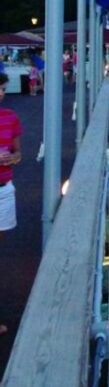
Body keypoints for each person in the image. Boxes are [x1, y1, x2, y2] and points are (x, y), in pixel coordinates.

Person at [0, 72, 22, 335]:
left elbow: (19, 154)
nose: (1, 94)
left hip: (4, 188)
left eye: (3, 90)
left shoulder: (10, 118)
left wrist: (12, 159)